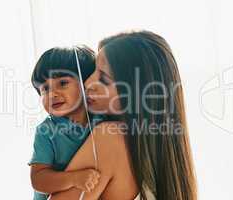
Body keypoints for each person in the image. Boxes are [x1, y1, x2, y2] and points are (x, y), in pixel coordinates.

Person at [49, 30, 197, 200]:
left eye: (103, 79)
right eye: (93, 71)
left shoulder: (110, 138)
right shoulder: (166, 165)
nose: (88, 83)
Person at [28, 46, 104, 200]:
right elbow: (38, 179)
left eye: (62, 83)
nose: (52, 94)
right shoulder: (47, 130)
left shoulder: (101, 121)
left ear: (86, 84)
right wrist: (73, 179)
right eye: (45, 88)